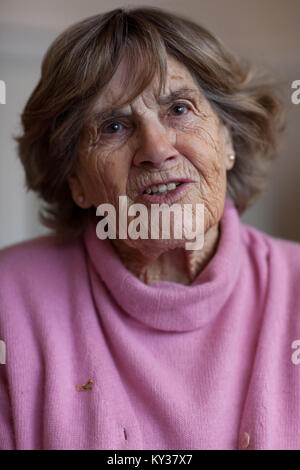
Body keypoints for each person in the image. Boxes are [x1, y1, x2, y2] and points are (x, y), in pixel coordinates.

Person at [0, 6, 299, 450]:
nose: (156, 149)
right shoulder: (9, 300)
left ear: (228, 140)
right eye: (115, 126)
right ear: (75, 180)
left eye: (179, 108)